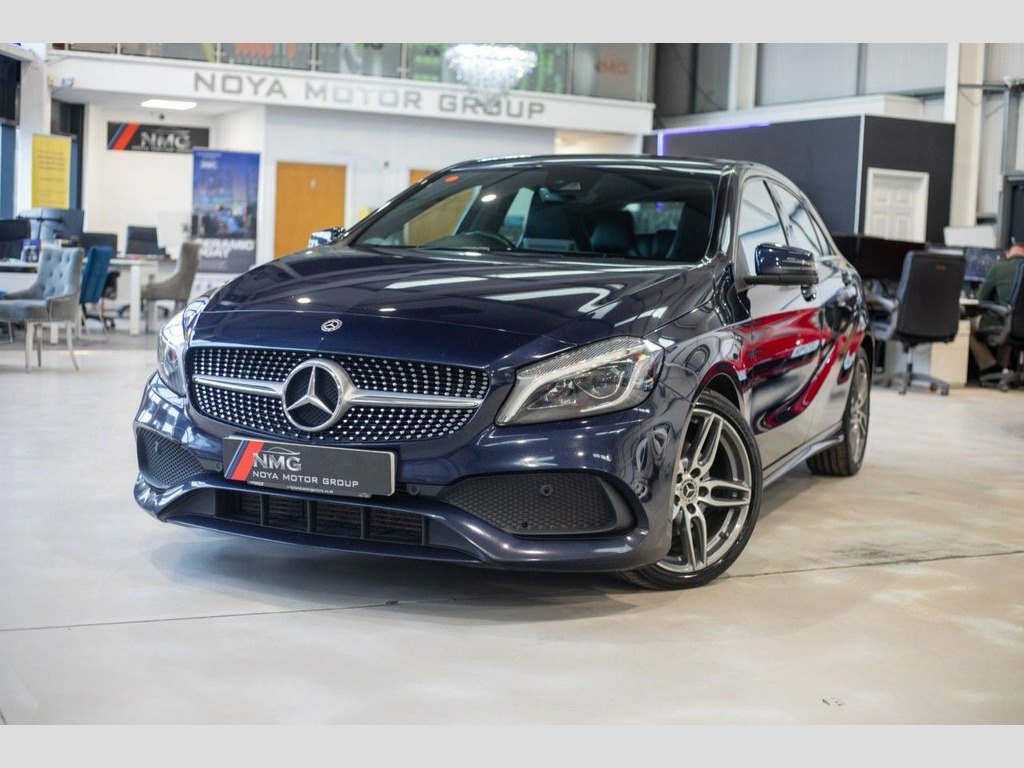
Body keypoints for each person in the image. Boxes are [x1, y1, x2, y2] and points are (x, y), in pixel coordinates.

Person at [969, 241, 1024, 376]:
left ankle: (989, 366)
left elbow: (981, 298)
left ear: (1008, 254)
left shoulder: (1000, 267)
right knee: (1010, 322)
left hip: (1006, 322)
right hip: (1017, 324)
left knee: (966, 326)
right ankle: (1002, 369)